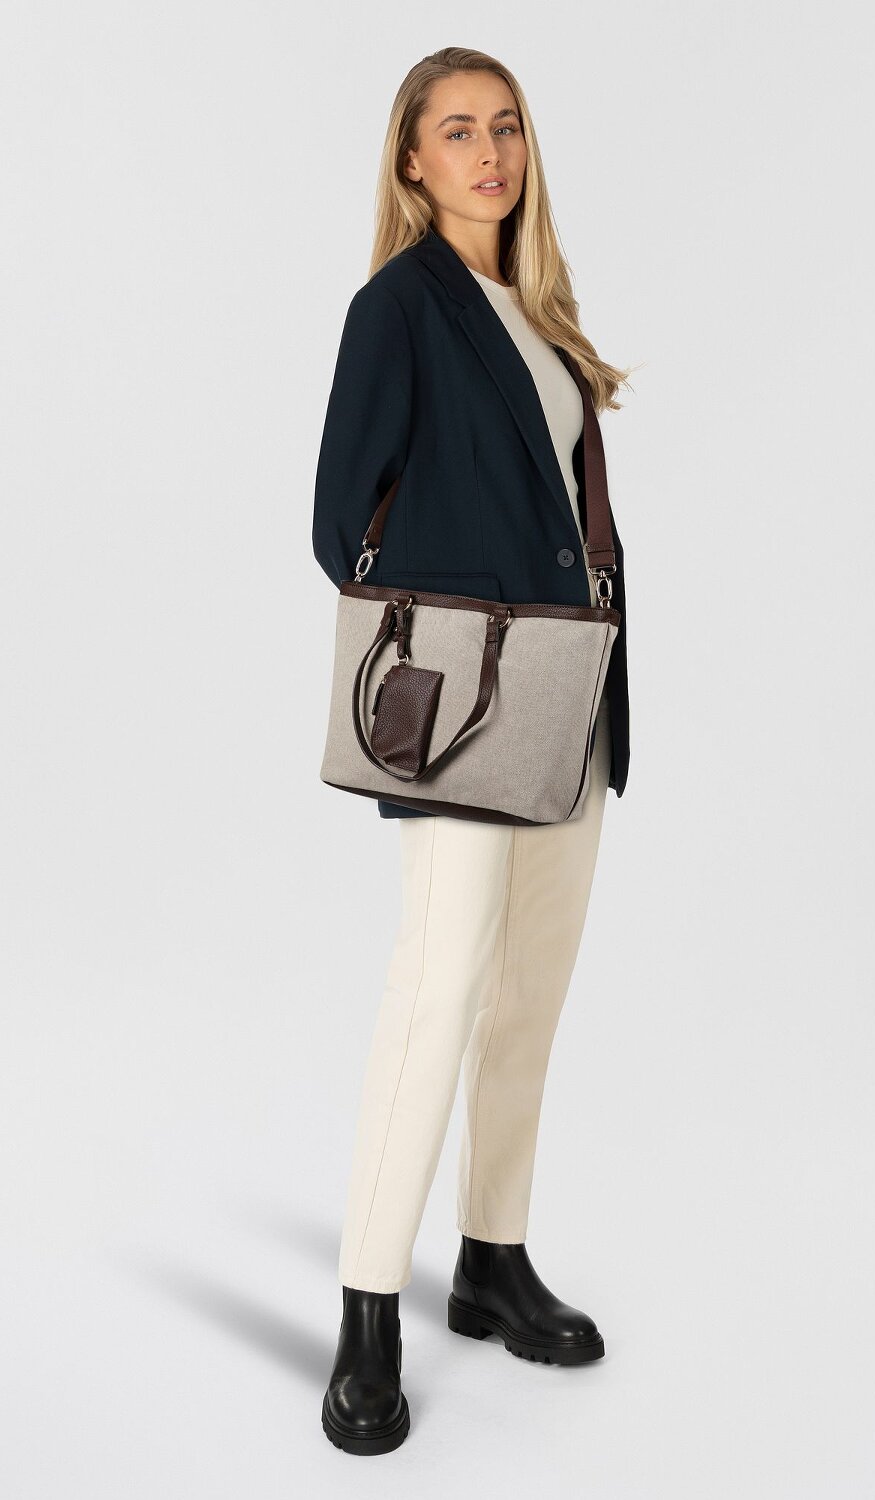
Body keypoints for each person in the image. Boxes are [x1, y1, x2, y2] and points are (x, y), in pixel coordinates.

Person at [310, 46, 634, 1456]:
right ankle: (367, 1312)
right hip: (468, 717)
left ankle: (491, 1259)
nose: (489, 151)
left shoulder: (541, 311)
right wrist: (458, 640)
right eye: (458, 131)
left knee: (525, 1001)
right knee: (433, 996)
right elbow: (341, 523)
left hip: (572, 701)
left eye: (505, 127)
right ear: (412, 161)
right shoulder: (399, 307)